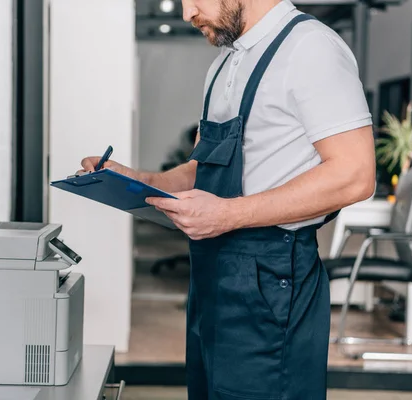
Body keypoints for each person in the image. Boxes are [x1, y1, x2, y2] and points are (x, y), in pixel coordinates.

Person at [79, 0, 376, 398]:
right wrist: (138, 180)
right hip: (212, 275)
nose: (187, 13)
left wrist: (228, 214)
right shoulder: (222, 65)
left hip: (272, 280)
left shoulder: (311, 48)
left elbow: (355, 175)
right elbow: (202, 168)